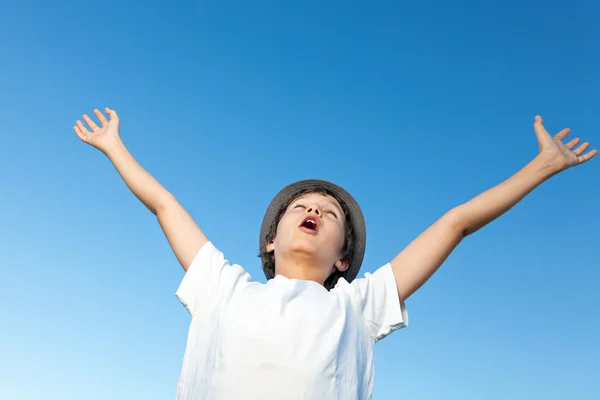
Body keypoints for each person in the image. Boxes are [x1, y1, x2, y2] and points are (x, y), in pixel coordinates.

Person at [74, 108, 596, 400]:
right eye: (300, 206)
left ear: (343, 259)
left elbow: (454, 224)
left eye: (330, 214)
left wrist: (541, 167)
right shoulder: (222, 286)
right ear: (270, 241)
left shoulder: (357, 305)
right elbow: (165, 206)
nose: (315, 211)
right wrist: (115, 146)